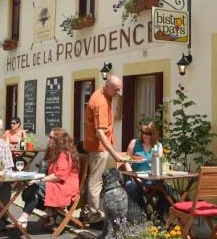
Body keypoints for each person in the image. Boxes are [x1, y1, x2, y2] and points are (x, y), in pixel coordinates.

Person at [14, 127, 79, 231]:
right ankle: (47, 218)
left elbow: (58, 176)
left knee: (35, 188)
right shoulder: (55, 152)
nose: (49, 139)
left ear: (59, 140)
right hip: (57, 184)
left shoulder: (64, 154)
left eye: (52, 138)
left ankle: (23, 219)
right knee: (31, 189)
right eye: (49, 137)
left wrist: (40, 180)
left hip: (64, 188)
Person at [82, 75, 126, 224]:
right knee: (96, 181)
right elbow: (100, 132)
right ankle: (94, 216)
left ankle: (87, 211)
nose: (117, 93)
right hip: (99, 148)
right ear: (107, 86)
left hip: (96, 146)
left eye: (119, 90)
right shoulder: (101, 102)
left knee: (93, 179)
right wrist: (115, 154)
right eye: (115, 90)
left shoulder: (102, 94)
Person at [123, 122, 171, 218]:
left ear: (153, 134)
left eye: (148, 133)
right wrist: (133, 177)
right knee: (131, 187)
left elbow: (160, 164)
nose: (144, 135)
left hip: (152, 179)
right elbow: (126, 161)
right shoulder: (134, 143)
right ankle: (143, 212)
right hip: (135, 177)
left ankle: (158, 215)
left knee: (167, 189)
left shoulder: (158, 146)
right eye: (143, 132)